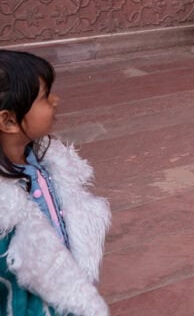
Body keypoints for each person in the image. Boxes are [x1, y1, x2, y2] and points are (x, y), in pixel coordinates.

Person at [0, 50, 111, 316]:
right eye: (45, 96)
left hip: (66, 288)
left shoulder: (43, 161)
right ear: (9, 120)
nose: (56, 101)